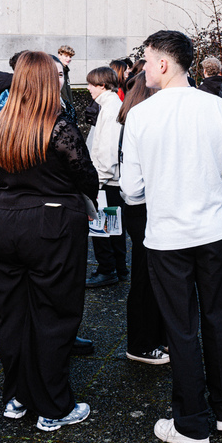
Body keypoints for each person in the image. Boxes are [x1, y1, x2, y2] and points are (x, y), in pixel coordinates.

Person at [120, 30, 222, 443]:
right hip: (213, 233)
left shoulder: (140, 115)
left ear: (162, 63)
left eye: (146, 60)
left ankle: (192, 422)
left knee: (181, 329)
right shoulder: (217, 107)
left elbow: (131, 189)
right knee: (218, 319)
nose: (143, 68)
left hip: (167, 238)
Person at [0, 51, 98, 432]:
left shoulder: (0, 123)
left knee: (12, 314)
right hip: (51, 225)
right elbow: (87, 177)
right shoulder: (58, 126)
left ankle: (16, 396)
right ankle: (53, 405)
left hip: (2, 220)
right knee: (53, 314)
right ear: (50, 82)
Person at [117, 72, 167, 364]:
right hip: (143, 206)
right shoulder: (139, 122)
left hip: (144, 205)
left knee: (154, 275)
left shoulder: (135, 120)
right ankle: (141, 343)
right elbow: (132, 182)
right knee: (145, 278)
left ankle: (156, 337)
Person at [84, 66, 127, 288]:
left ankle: (107, 270)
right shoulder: (111, 106)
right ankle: (118, 268)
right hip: (110, 180)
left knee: (102, 228)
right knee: (114, 227)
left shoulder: (109, 109)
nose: (88, 88)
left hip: (106, 180)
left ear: (102, 85)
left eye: (91, 84)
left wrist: (97, 181)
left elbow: (107, 152)